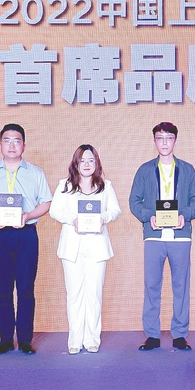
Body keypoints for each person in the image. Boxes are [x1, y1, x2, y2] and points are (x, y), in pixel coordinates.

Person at [0, 124, 52, 355]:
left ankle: (26, 340)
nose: (12, 145)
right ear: (0, 144)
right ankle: (5, 339)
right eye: (7, 140)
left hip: (26, 234)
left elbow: (46, 203)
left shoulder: (36, 173)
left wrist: (29, 215)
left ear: (24, 145)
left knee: (26, 288)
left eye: (17, 140)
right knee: (2, 289)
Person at [128, 122, 195, 351]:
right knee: (152, 286)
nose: (164, 142)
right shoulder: (145, 170)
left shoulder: (187, 169)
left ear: (175, 141)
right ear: (154, 141)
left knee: (181, 286)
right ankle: (152, 335)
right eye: (160, 138)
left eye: (169, 138)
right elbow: (134, 201)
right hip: (154, 236)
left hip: (180, 236)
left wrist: (184, 215)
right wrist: (148, 216)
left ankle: (179, 334)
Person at [49, 145, 122, 354]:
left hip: (97, 246)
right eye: (83, 161)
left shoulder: (105, 186)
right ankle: (75, 340)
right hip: (72, 246)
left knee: (94, 294)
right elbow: (55, 210)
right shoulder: (65, 185)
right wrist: (73, 219)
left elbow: (115, 210)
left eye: (91, 160)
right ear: (76, 164)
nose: (87, 164)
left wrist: (103, 218)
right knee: (74, 294)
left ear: (96, 163)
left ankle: (91, 339)